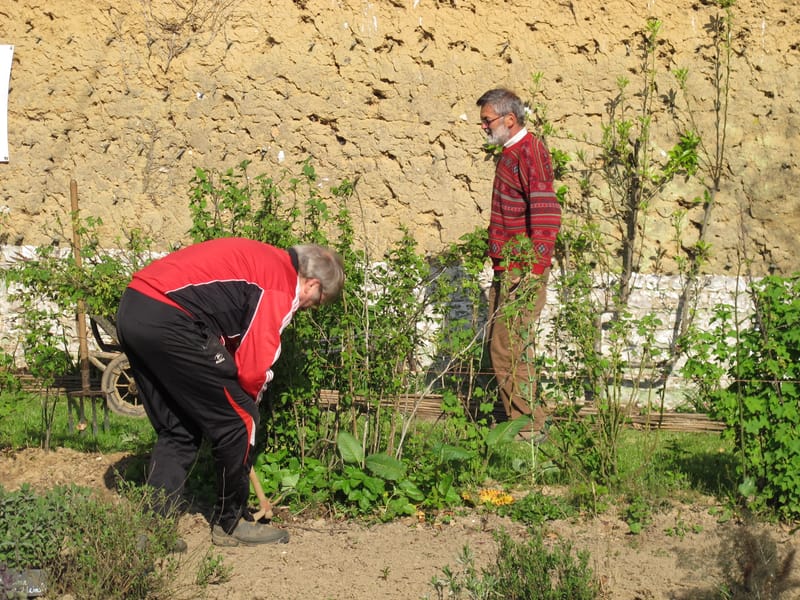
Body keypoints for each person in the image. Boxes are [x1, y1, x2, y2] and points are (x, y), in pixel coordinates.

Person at [115, 238, 345, 547]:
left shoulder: (265, 260)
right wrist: (246, 407)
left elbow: (231, 336)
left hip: (134, 309)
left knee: (179, 427)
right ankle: (231, 522)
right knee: (240, 421)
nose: (309, 308)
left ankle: (153, 528)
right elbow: (253, 368)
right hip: (171, 319)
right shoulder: (280, 284)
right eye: (317, 302)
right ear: (313, 285)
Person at [476, 88, 562, 437]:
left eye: (487, 121)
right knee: (509, 348)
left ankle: (527, 427)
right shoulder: (510, 153)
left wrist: (534, 269)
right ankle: (529, 422)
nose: (484, 127)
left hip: (522, 271)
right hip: (507, 269)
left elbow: (546, 212)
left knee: (507, 348)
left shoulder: (530, 151)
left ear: (509, 119)